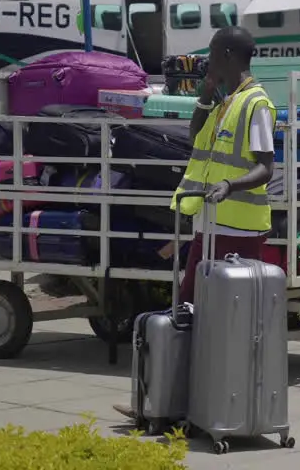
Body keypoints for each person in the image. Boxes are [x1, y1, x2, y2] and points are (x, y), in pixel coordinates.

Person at [113, 26, 275, 421]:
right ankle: (175, 401)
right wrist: (205, 95)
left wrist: (229, 185)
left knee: (193, 312)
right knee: (189, 313)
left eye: (215, 55)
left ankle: (170, 403)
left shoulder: (256, 104)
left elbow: (266, 167)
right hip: (211, 224)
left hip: (235, 228)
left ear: (230, 56)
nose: (209, 62)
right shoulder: (227, 100)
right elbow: (194, 136)